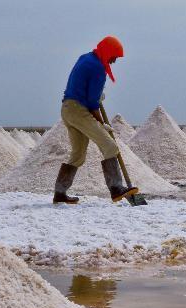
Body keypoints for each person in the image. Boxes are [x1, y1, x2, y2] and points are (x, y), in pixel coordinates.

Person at [53, 36, 138, 204]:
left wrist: (96, 96)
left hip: (67, 109)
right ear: (108, 52)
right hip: (79, 110)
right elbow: (92, 103)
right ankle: (116, 189)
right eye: (114, 57)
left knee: (78, 154)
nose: (114, 61)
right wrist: (101, 124)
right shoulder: (98, 68)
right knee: (110, 146)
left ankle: (60, 193)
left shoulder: (85, 58)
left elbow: (84, 88)